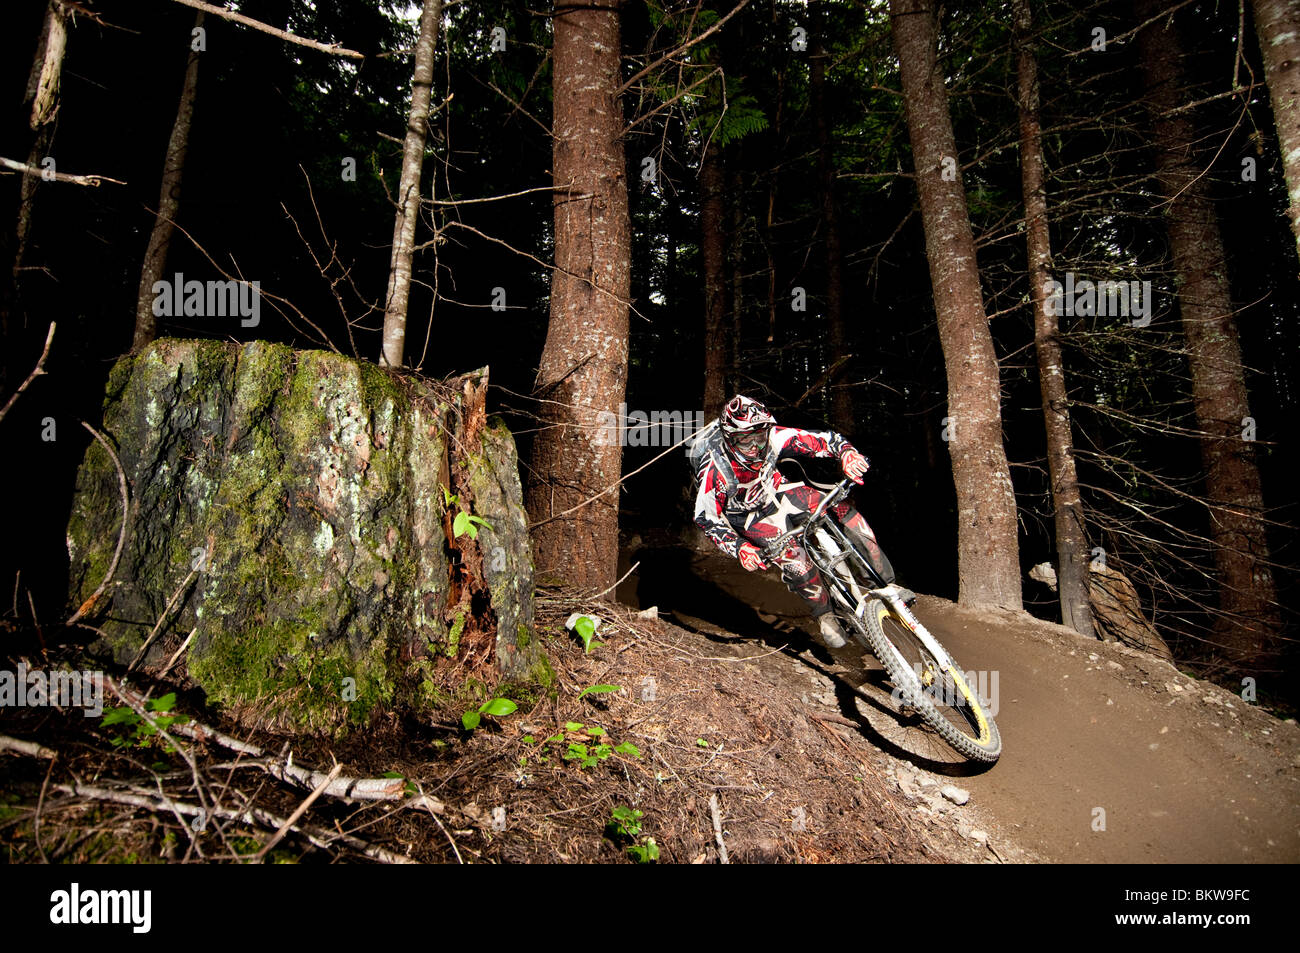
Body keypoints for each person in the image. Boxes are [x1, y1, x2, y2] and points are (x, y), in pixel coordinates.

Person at [691, 394, 912, 648]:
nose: (754, 447)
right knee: (794, 557)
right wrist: (741, 548)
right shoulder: (715, 469)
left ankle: (886, 585)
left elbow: (825, 440)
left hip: (780, 490)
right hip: (748, 515)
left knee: (845, 513)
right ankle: (825, 615)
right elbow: (705, 517)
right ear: (730, 439)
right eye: (744, 440)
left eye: (759, 437)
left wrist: (847, 454)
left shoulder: (775, 435)